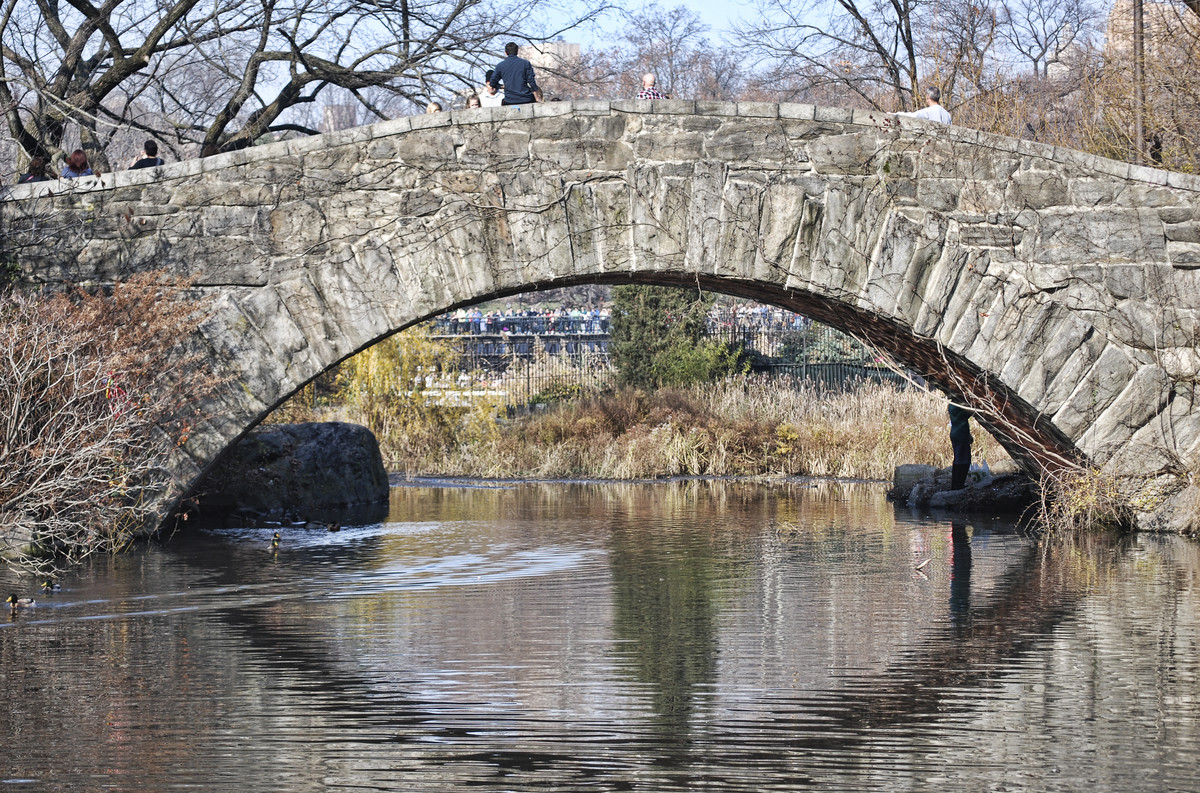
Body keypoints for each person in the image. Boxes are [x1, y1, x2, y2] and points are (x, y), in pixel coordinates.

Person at [948, 402, 973, 490]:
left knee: (959, 458)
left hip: (957, 432)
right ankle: (958, 485)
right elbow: (970, 412)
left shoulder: (951, 405)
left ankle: (957, 485)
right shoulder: (957, 405)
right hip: (960, 434)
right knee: (963, 460)